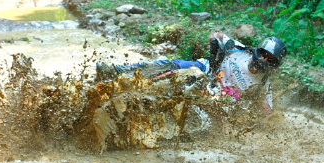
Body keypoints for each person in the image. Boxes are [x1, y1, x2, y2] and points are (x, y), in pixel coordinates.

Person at [96, 31, 287, 115]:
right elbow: (215, 35)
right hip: (204, 71)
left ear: (274, 65)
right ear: (257, 51)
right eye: (263, 54)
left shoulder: (263, 85)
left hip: (216, 101)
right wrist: (217, 42)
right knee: (171, 66)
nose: (264, 60)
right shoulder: (239, 48)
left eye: (270, 60)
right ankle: (119, 72)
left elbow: (267, 114)